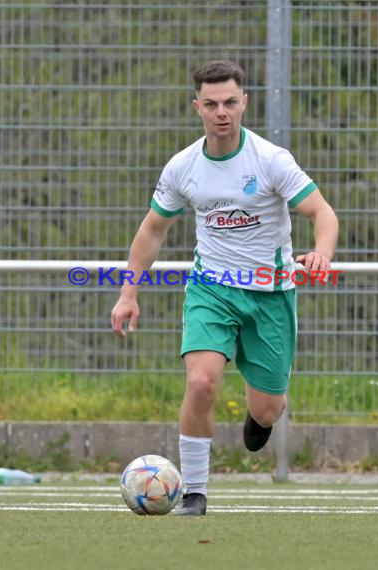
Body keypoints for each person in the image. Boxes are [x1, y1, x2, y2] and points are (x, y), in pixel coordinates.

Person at [111, 60, 339, 516]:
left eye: (230, 102)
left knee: (269, 409)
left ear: (244, 104)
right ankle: (194, 493)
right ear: (197, 107)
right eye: (212, 104)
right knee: (201, 383)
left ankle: (262, 415)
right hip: (211, 290)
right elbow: (153, 230)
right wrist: (127, 293)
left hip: (271, 294)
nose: (222, 112)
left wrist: (321, 254)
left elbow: (323, 214)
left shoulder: (271, 160)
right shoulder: (184, 166)